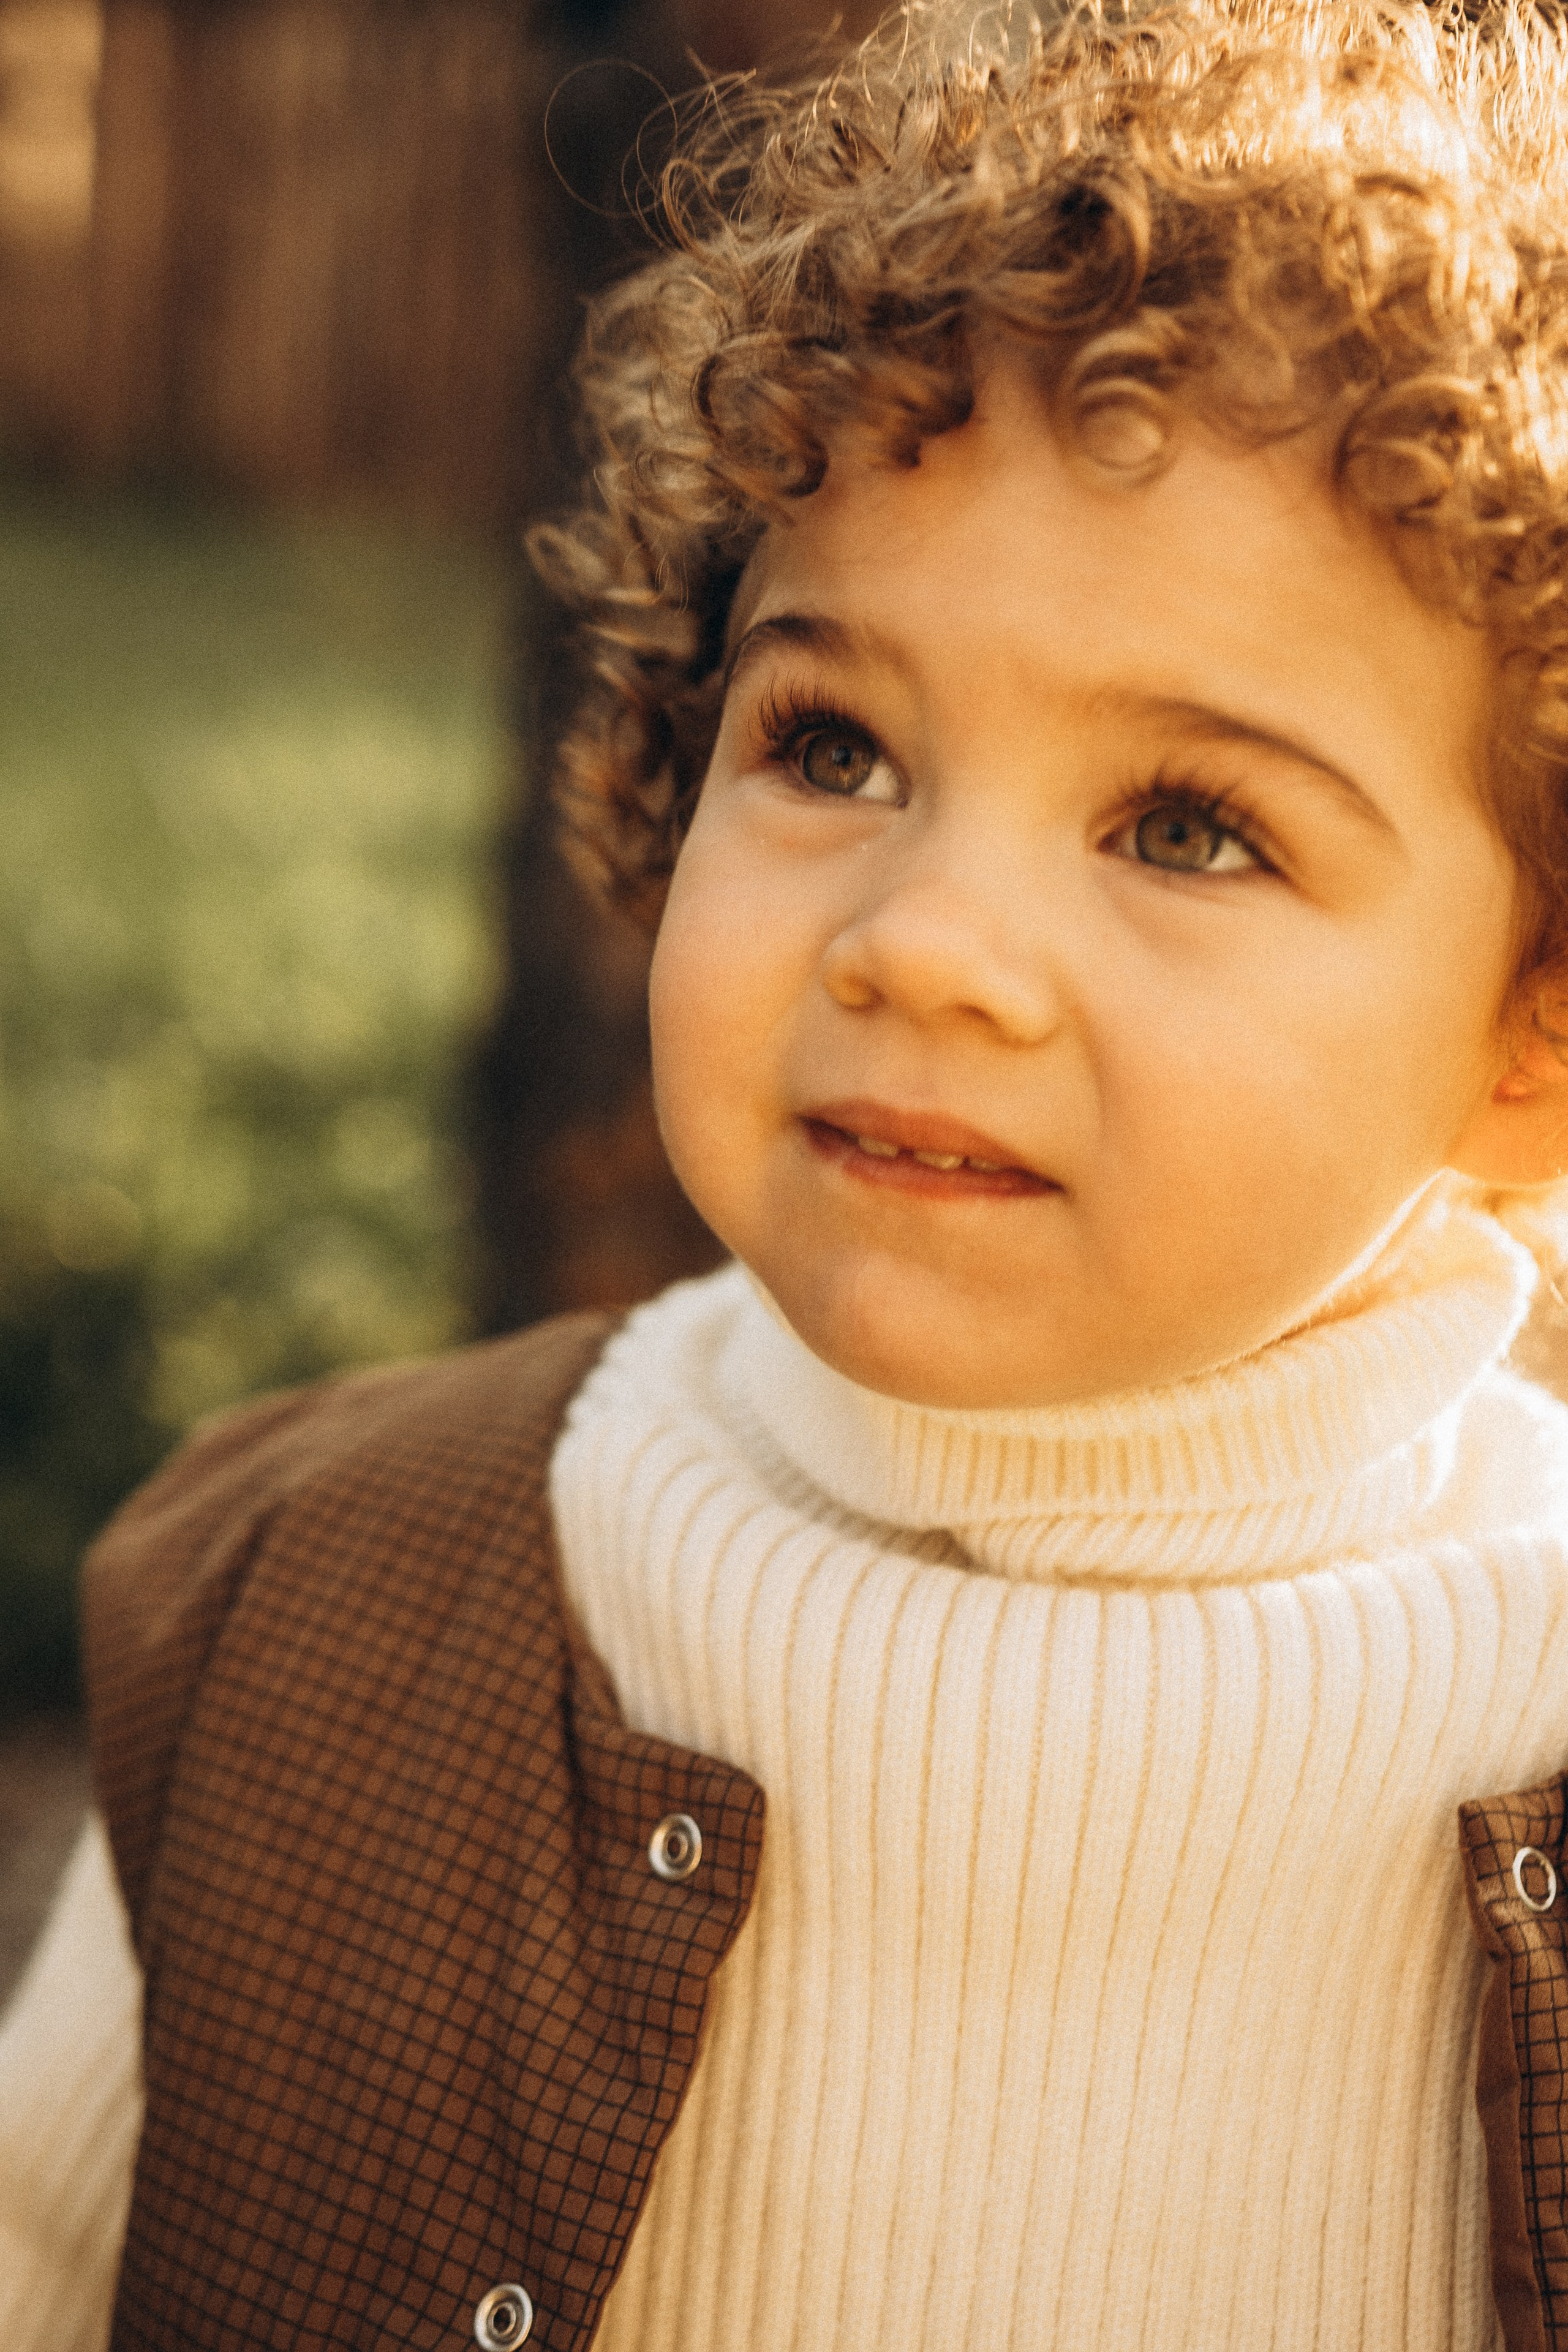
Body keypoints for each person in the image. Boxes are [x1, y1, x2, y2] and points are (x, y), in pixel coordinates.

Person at [7, 1, 1568, 2345]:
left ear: (1534, 1039)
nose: (927, 945)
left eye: (1186, 825)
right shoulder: (299, 1616)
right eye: (831, 743)